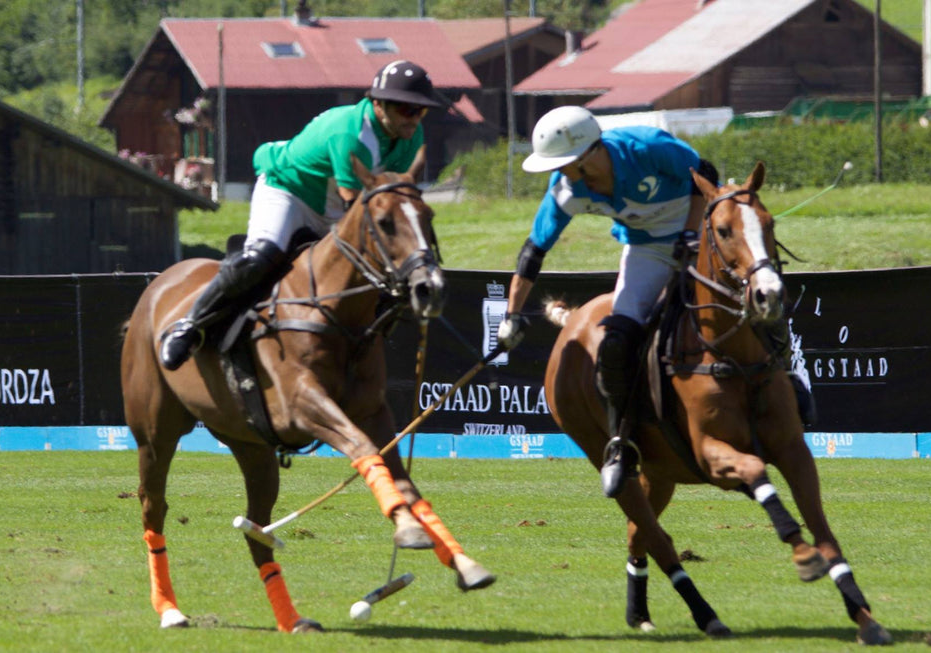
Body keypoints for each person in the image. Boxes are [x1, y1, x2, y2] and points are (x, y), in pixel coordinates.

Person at [495, 106, 815, 498]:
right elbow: (534, 251)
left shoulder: (645, 147)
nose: (559, 173)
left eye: (564, 164)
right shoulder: (566, 191)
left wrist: (689, 234)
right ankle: (622, 443)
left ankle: (789, 380)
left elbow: (704, 173)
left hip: (704, 236)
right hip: (645, 250)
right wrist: (512, 315)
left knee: (757, 299)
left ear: (589, 153)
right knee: (616, 343)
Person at [159, 60, 440, 370]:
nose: (414, 118)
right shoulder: (350, 132)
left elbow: (394, 200)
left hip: (333, 203)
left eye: (421, 111)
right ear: (378, 104)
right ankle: (190, 325)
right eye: (406, 109)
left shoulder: (411, 136)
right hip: (288, 190)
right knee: (261, 256)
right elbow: (354, 205)